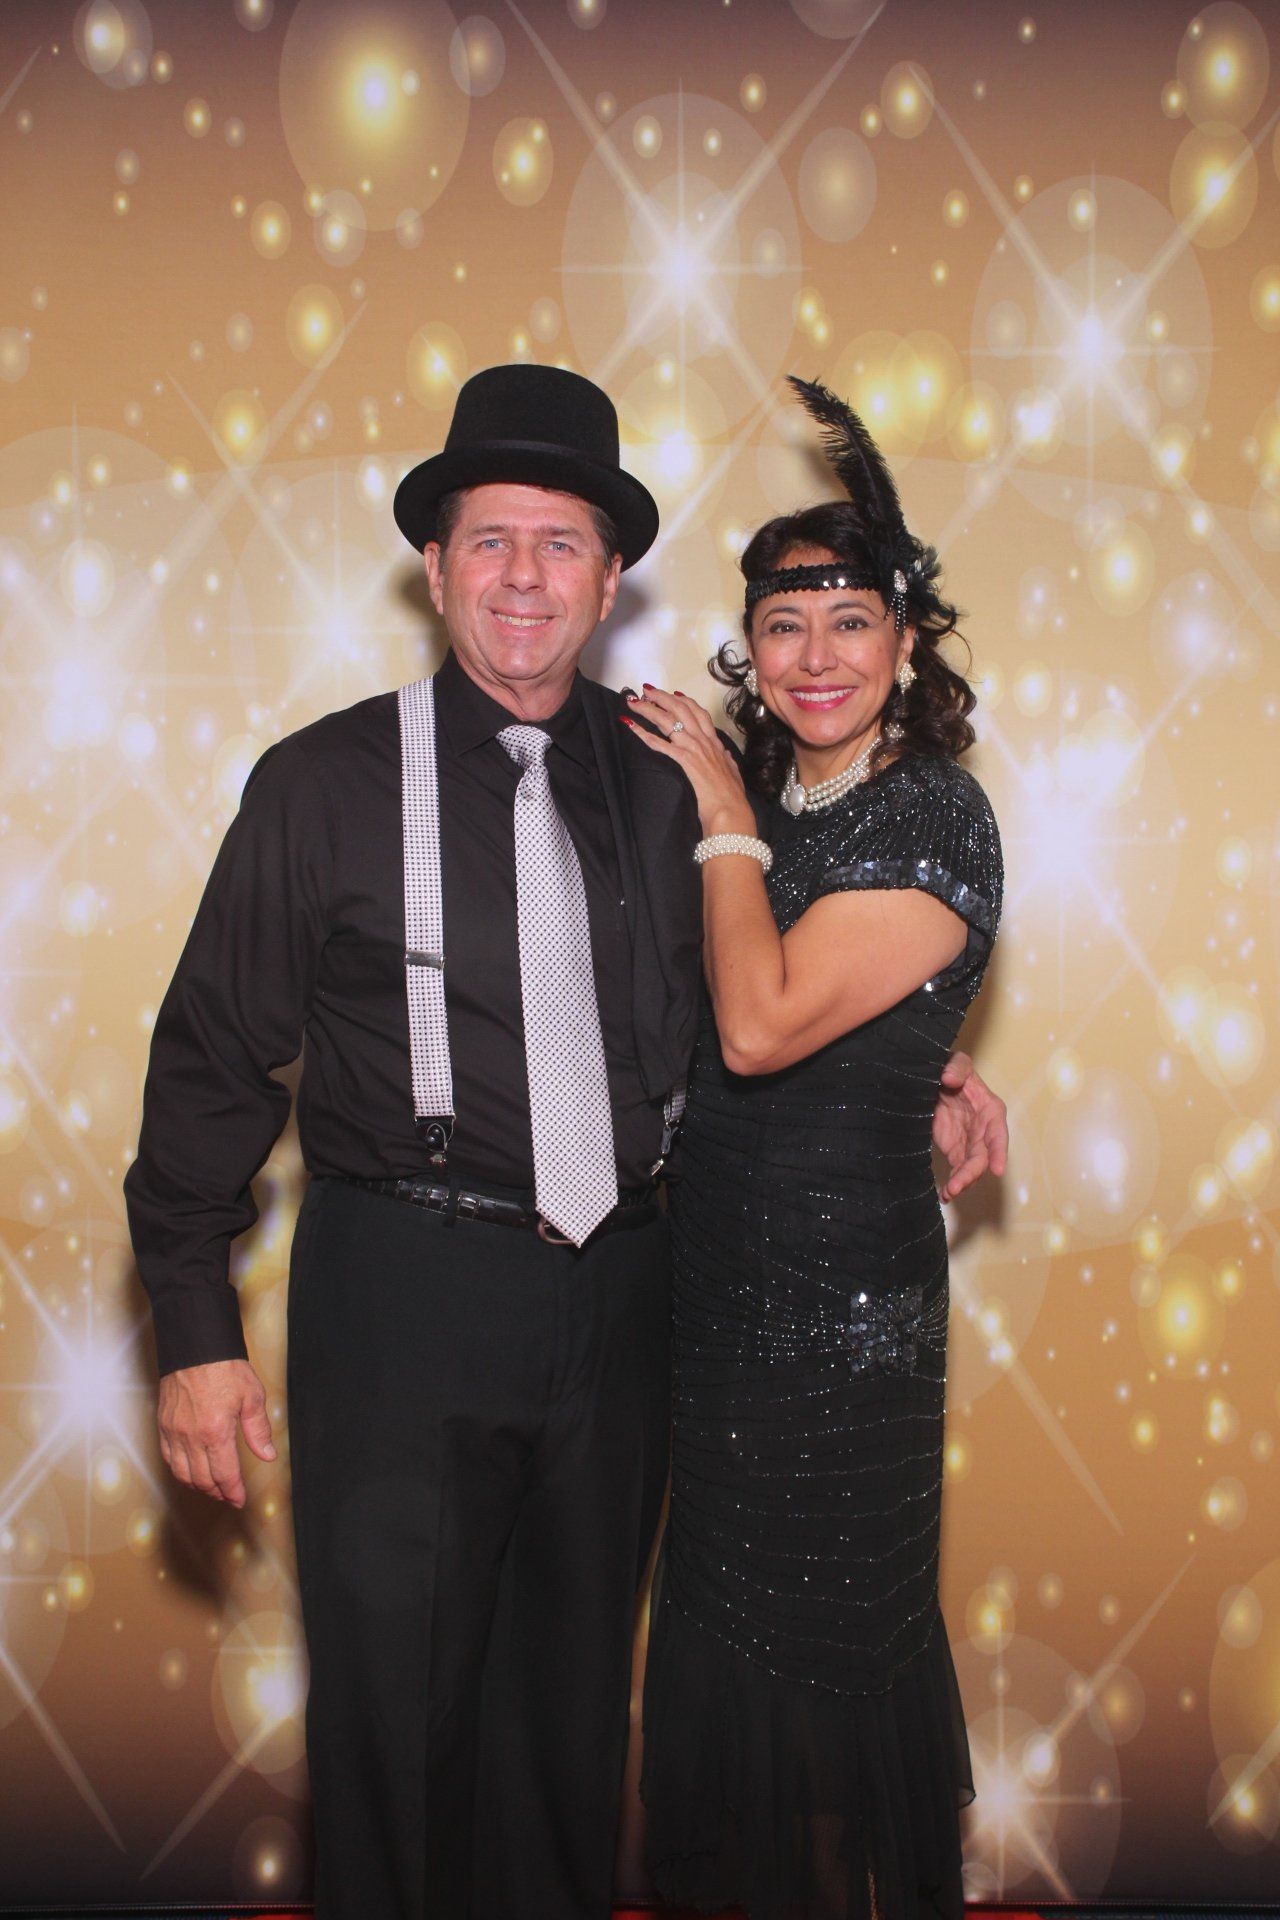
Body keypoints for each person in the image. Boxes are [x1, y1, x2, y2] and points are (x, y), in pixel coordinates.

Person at [124, 365, 1006, 1920]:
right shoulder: (321, 783)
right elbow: (209, 1060)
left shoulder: (678, 783)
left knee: (568, 1741)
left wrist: (919, 1071)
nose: (524, 576)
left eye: (561, 545)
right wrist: (194, 1333)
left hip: (628, 1308)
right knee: (396, 1744)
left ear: (610, 582)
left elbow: (769, 981)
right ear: (435, 566)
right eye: (491, 540)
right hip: (403, 1296)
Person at [631, 378, 1003, 1920]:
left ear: (907, 642)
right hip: (711, 1300)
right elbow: (706, 996)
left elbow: (763, 1023)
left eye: (852, 621)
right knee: (721, 1644)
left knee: (834, 1657)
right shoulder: (771, 800)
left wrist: (720, 809)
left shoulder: (937, 816)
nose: (817, 655)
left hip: (846, 1329)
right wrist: (934, 1062)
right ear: (750, 644)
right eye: (785, 625)